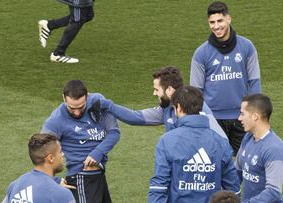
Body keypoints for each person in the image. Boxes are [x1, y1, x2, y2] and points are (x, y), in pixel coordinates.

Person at [190, 1, 261, 155]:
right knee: (214, 164)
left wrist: (255, 113)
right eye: (212, 22)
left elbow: (254, 82)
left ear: (229, 19)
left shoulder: (247, 47)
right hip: (213, 119)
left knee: (249, 162)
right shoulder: (201, 53)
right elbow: (196, 92)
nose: (216, 26)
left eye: (220, 21)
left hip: (242, 118)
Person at [148, 86, 240, 203]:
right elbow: (233, 190)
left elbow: (159, 186)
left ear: (179, 108)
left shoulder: (166, 141)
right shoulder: (221, 142)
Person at [41, 80, 120, 203]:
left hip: (99, 176)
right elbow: (39, 151)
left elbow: (114, 133)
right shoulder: (56, 120)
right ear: (64, 98)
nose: (77, 112)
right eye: (72, 108)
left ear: (87, 96)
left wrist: (98, 152)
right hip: (81, 179)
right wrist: (53, 180)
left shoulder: (98, 102)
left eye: (81, 107)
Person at [99, 66, 227, 139]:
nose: (154, 93)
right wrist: (108, 105)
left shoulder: (197, 107)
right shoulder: (167, 108)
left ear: (170, 90)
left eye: (156, 89)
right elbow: (135, 117)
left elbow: (222, 141)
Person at [235, 94, 283, 202]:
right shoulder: (248, 138)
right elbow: (236, 172)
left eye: (242, 114)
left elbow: (273, 191)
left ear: (255, 116)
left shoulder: (274, 149)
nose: (239, 118)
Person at [2, 133, 76, 203]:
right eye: (60, 152)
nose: (62, 154)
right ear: (51, 158)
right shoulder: (61, 194)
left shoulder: (15, 185)